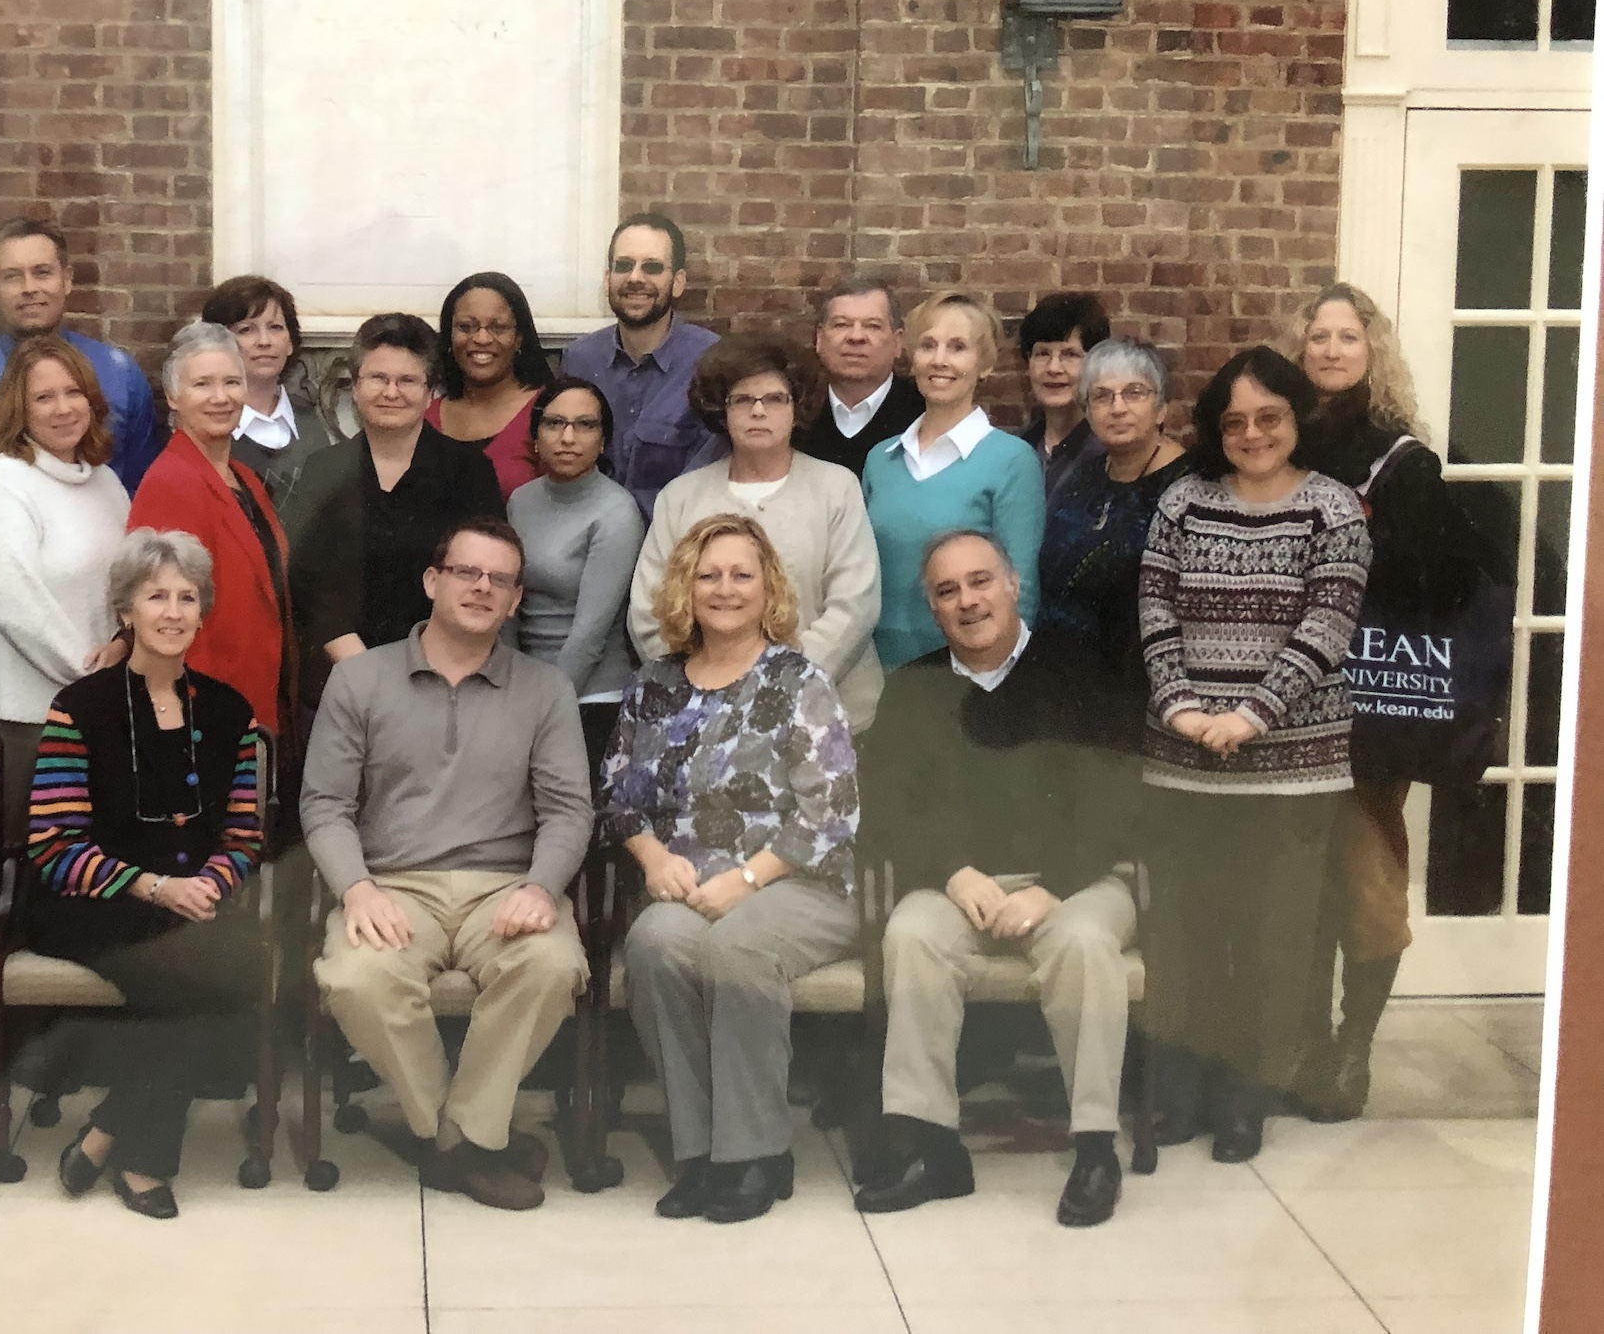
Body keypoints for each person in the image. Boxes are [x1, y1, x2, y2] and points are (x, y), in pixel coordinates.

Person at [850, 531, 1140, 1229]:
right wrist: (951, 872)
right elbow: (886, 806)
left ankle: (1096, 1147)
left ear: (1012, 585)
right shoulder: (915, 685)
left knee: (1083, 945)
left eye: (980, 581)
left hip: (1077, 879)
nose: (967, 600)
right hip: (965, 882)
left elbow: (1119, 798)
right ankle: (930, 1143)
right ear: (931, 606)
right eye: (947, 591)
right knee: (913, 931)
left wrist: (1054, 887)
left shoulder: (1078, 669)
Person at [302, 519, 593, 1211]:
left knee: (551, 965)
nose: (482, 587)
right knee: (356, 977)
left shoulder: (545, 689)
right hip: (394, 883)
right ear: (433, 581)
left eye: (499, 579)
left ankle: (455, 1136)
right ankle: (466, 1141)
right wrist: (357, 888)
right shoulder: (360, 679)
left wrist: (541, 886)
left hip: (507, 885)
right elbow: (323, 804)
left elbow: (569, 810)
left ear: (517, 600)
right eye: (467, 572)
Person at [1138, 345, 1371, 1163]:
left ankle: (1246, 1099)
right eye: (1234, 421)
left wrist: (1251, 716)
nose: (1252, 433)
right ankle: (1187, 1090)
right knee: (1189, 932)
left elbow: (1326, 627)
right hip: (1183, 759)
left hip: (1293, 766)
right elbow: (1156, 607)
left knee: (1270, 939)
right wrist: (1180, 707)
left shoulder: (1334, 508)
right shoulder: (1182, 502)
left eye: (1268, 417)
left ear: (1296, 417)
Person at [608, 514, 860, 1224]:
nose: (724, 588)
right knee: (655, 944)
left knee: (736, 948)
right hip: (688, 887)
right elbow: (619, 795)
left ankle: (755, 1153)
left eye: (740, 573)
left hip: (797, 883)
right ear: (685, 587)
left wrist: (745, 880)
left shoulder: (798, 678)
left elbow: (830, 810)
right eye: (708, 574)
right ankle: (699, 1150)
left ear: (768, 586)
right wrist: (654, 858)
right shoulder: (653, 684)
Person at [1290, 282, 1501, 1122]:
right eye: (1318, 337)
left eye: (1348, 336)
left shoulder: (1403, 460)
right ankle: (1302, 1042)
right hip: (1286, 703)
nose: (1332, 349)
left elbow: (1446, 580)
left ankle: (1352, 1051)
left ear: (1372, 350)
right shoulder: (1277, 437)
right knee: (1297, 886)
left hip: (1369, 707)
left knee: (1366, 885)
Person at [24, 530, 267, 1219]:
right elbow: (52, 840)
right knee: (186, 973)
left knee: (221, 964)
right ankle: (141, 1159)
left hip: (195, 896)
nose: (173, 610)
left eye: (187, 596)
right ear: (125, 611)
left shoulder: (230, 710)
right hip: (91, 896)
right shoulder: (81, 705)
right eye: (155, 595)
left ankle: (104, 1131)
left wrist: (212, 882)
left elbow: (246, 832)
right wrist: (156, 885)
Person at [629, 333, 884, 734]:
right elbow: (649, 611)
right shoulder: (680, 497)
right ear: (721, 410)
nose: (758, 411)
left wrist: (776, 687)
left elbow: (854, 606)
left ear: (796, 408)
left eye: (775, 399)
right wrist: (708, 690)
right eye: (743, 400)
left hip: (825, 717)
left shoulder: (837, 488)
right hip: (705, 719)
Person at [279, 312, 504, 732]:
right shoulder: (322, 471)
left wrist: (426, 673)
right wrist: (367, 675)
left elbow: (485, 578)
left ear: (430, 391)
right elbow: (307, 583)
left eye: (408, 380)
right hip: (342, 684)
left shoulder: (469, 473)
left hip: (444, 687)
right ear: (356, 385)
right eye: (377, 378)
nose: (391, 392)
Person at [0, 335, 132, 809]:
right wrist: (93, 680)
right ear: (20, 408)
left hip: (97, 712)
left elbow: (128, 587)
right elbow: (18, 606)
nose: (63, 408)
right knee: (28, 876)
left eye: (73, 392)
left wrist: (126, 644)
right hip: (23, 724)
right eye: (43, 397)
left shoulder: (106, 482)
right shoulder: (2, 482)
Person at [860, 292, 1045, 669]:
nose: (940, 360)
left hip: (966, 677)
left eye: (958, 347)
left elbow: (1020, 592)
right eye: (928, 345)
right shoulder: (880, 460)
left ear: (985, 364)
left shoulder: (1011, 461)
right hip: (877, 669)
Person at [128, 321, 294, 739]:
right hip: (206, 717)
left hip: (257, 700)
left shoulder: (246, 479)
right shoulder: (171, 483)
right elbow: (166, 621)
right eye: (202, 384)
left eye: (232, 382)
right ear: (173, 396)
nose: (221, 398)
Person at [1037, 337, 1191, 747]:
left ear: (1162, 409)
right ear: (1087, 411)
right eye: (1101, 396)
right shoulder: (1084, 476)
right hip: (1063, 691)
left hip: (1142, 699)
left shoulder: (1188, 488)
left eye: (1134, 393)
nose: (1117, 407)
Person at [0, 216, 159, 490]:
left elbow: (143, 485)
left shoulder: (120, 374)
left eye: (42, 272)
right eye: (12, 276)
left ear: (66, 280)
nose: (29, 288)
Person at [507, 377, 645, 763]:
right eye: (554, 423)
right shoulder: (521, 501)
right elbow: (508, 606)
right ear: (535, 436)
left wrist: (542, 710)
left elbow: (590, 635)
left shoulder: (616, 511)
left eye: (585, 425)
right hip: (522, 689)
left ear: (603, 442)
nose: (568, 437)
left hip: (590, 697)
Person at [559, 212, 721, 519]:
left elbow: (713, 480)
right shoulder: (580, 359)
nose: (635, 278)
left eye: (652, 267)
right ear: (608, 279)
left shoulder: (710, 362)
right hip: (590, 538)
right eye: (623, 265)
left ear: (678, 283)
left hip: (676, 543)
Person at [203, 273, 334, 506]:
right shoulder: (208, 430)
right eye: (246, 330)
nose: (264, 341)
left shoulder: (311, 422)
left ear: (291, 342)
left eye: (275, 327)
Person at [426, 270, 553, 501]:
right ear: (449, 336)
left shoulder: (548, 412)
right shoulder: (426, 418)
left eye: (498, 327)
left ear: (519, 339)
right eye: (466, 327)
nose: (482, 339)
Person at [797, 275, 925, 480]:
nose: (856, 337)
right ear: (819, 338)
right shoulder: (794, 412)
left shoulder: (924, 416)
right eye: (841, 324)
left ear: (897, 341)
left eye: (872, 326)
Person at [1016, 292, 1111, 502]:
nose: (1054, 368)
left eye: (1070, 354)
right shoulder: (1015, 449)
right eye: (1042, 354)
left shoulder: (1109, 454)